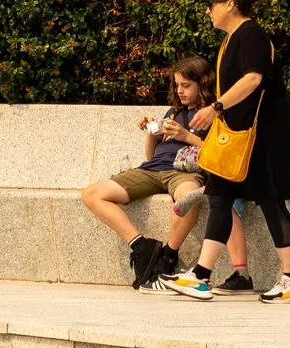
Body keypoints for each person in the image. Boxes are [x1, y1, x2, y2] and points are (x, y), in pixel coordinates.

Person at [160, 0, 290, 302]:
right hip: (241, 135)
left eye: (211, 4)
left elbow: (252, 79)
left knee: (269, 199)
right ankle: (201, 275)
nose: (208, 11)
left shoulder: (251, 35)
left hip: (265, 132)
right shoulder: (233, 38)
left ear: (230, 4)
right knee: (219, 195)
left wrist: (215, 108)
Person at [78, 56, 211, 285]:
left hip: (184, 172)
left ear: (203, 84)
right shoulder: (173, 112)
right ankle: (140, 247)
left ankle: (168, 255)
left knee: (189, 200)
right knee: (91, 194)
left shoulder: (210, 115)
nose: (180, 91)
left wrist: (186, 136)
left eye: (186, 85)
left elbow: (221, 152)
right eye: (177, 85)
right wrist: (151, 131)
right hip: (151, 169)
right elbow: (152, 155)